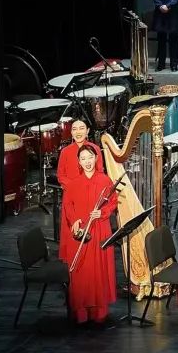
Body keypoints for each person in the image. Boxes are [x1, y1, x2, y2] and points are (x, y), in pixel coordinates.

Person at [62, 145, 118, 324]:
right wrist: (74, 220)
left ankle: (99, 311)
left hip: (100, 228)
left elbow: (113, 201)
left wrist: (102, 213)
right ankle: (81, 312)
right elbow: (68, 204)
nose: (87, 162)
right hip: (82, 231)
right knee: (81, 272)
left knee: (99, 270)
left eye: (90, 157)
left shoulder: (105, 180)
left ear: (96, 158)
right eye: (83, 158)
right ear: (79, 162)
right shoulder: (73, 183)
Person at [55, 118, 103, 265]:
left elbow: (100, 172)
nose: (78, 132)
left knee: (90, 233)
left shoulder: (95, 149)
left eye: (81, 128)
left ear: (87, 131)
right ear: (71, 132)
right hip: (71, 198)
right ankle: (74, 263)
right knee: (73, 234)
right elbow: (60, 176)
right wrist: (75, 187)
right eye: (74, 129)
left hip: (90, 196)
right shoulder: (65, 151)